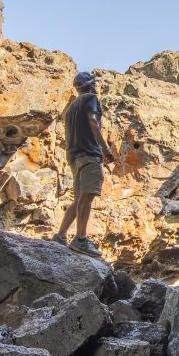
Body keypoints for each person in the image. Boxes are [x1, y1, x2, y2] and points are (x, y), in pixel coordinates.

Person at [53, 71, 113, 256]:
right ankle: (80, 239)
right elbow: (93, 121)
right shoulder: (91, 98)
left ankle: (61, 235)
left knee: (78, 199)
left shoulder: (71, 108)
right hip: (89, 155)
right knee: (87, 197)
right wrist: (104, 148)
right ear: (91, 85)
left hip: (75, 157)